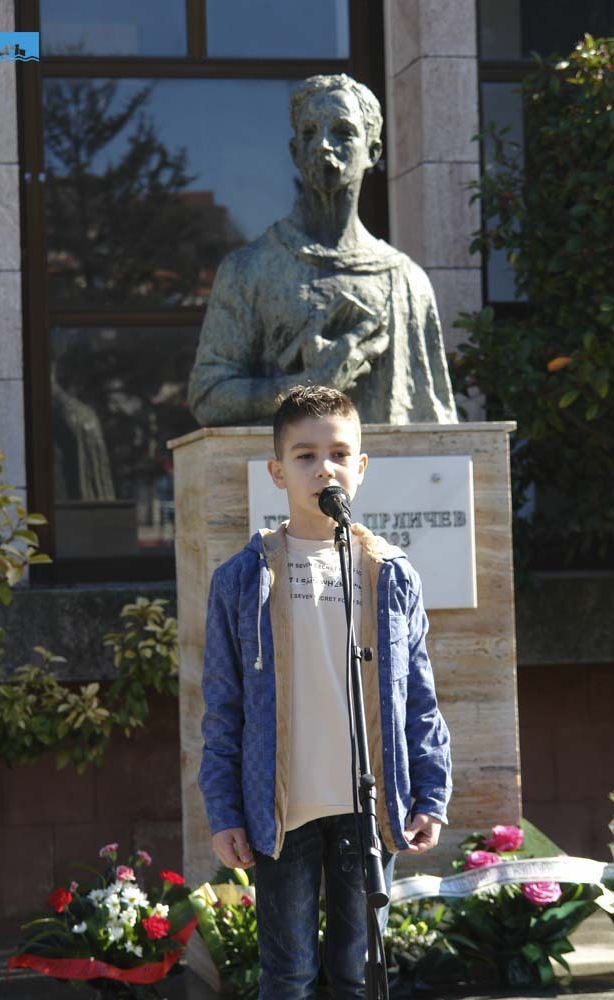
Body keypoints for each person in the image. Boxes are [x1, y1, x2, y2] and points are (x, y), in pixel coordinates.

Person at [198, 384, 452, 999]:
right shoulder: (241, 580)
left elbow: (418, 696)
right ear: (278, 472)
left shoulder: (390, 574)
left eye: (338, 454)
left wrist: (431, 792)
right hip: (282, 811)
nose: (324, 469)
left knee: (358, 974)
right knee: (288, 975)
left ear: (360, 467)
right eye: (305, 456)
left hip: (370, 807)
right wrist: (225, 811)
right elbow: (223, 707)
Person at [188, 74, 457, 427]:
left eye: (343, 132)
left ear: (373, 151)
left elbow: (439, 427)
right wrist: (307, 387)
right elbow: (208, 397)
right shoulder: (247, 270)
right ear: (295, 152)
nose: (324, 146)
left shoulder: (409, 282)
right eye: (310, 133)